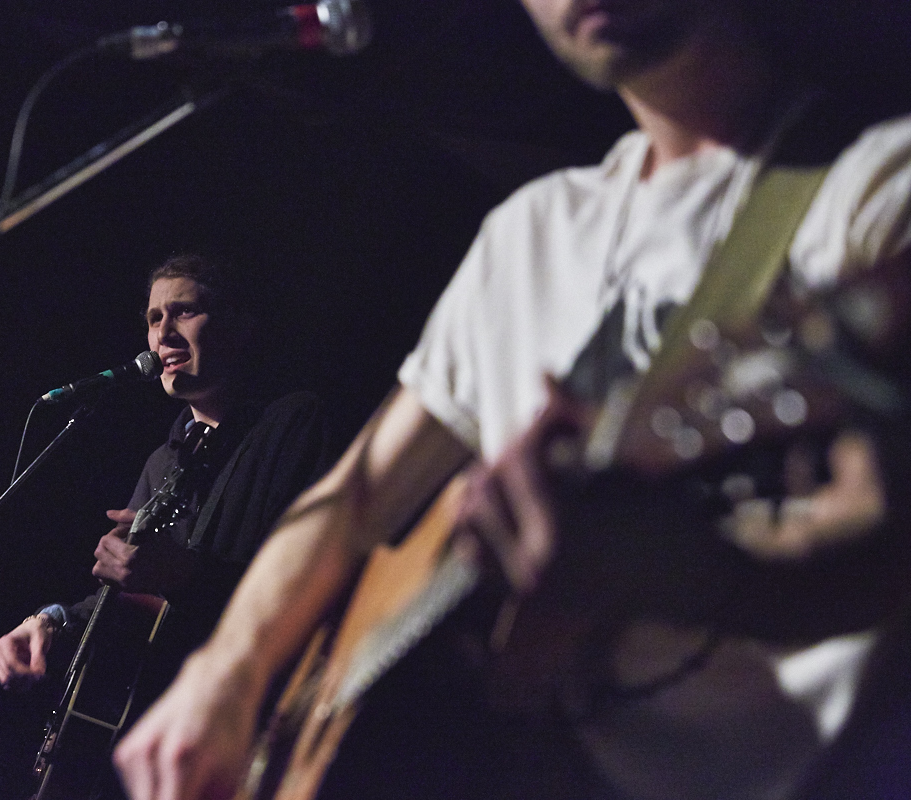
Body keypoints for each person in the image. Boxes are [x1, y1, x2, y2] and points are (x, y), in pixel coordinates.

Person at [112, 2, 911, 799]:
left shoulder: (878, 188)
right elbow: (350, 498)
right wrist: (227, 673)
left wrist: (681, 570)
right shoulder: (532, 233)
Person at [0, 254, 331, 790]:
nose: (163, 333)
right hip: (160, 745)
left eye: (184, 312)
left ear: (238, 327)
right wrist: (51, 621)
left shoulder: (291, 424)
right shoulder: (163, 463)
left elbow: (314, 582)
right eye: (153, 319)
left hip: (254, 735)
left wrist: (184, 574)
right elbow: (131, 601)